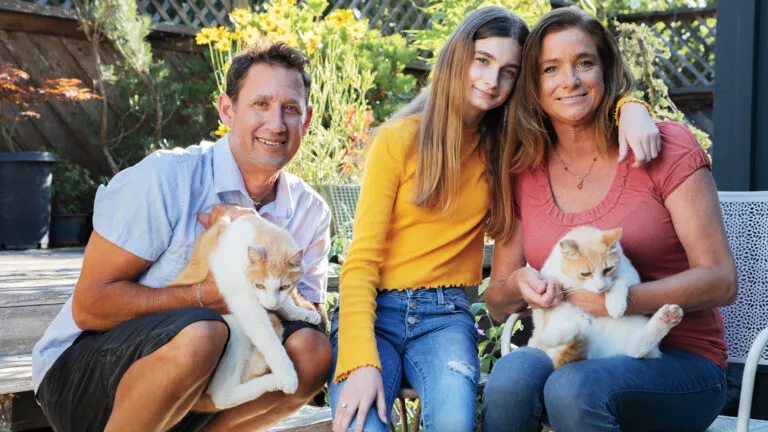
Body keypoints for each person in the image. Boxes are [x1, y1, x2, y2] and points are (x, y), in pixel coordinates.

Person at [328, 6, 659, 432]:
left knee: (455, 425)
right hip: (376, 312)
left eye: (509, 71)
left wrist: (631, 106)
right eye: (482, 61)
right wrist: (359, 361)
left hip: (445, 316)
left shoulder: (507, 149)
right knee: (359, 425)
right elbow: (361, 260)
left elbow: (577, 102)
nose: (491, 80)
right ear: (457, 58)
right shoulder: (398, 141)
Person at [32, 40, 333, 432]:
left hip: (208, 381)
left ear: (306, 120)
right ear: (228, 110)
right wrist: (204, 295)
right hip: (81, 373)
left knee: (311, 353)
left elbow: (311, 316)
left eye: (289, 109)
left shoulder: (308, 211)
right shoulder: (166, 179)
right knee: (204, 333)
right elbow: (89, 307)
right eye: (260, 104)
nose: (276, 124)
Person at [483, 8, 737, 432]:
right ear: (534, 85)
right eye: (551, 68)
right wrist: (518, 287)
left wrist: (614, 301)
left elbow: (720, 279)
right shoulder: (524, 170)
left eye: (584, 63)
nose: (570, 81)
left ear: (606, 71)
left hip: (677, 361)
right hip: (577, 348)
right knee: (510, 378)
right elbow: (495, 302)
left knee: (573, 388)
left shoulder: (664, 146)